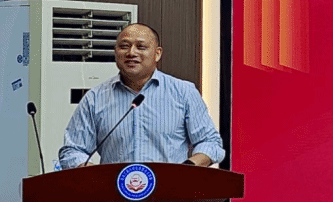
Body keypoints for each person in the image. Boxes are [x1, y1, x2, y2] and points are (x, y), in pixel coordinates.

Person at [59, 23, 225, 168]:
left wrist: (186, 169)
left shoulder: (184, 92)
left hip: (169, 190)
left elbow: (210, 143)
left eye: (141, 47)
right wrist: (98, 176)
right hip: (114, 191)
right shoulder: (95, 98)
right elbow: (73, 151)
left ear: (157, 54)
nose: (131, 53)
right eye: (124, 46)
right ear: (116, 52)